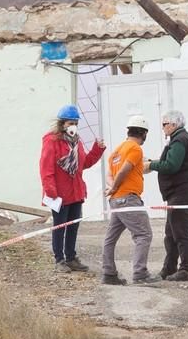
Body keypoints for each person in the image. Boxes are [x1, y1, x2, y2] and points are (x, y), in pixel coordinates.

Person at [40, 104, 105, 273]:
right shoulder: (51, 141)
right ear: (62, 124)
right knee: (59, 226)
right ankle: (59, 259)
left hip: (75, 192)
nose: (73, 126)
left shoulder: (76, 142)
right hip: (59, 195)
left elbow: (85, 163)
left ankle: (71, 257)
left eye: (76, 122)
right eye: (70, 122)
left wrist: (98, 149)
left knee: (73, 226)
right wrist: (51, 192)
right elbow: (46, 169)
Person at [102, 115, 161, 285]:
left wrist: (113, 188)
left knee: (110, 237)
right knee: (144, 234)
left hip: (116, 200)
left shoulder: (116, 151)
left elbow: (110, 174)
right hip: (128, 199)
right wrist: (115, 187)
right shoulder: (135, 149)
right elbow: (124, 171)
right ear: (143, 133)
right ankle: (140, 273)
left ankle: (109, 273)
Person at [145, 110, 188, 282]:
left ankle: (186, 268)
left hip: (183, 192)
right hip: (181, 192)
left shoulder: (180, 140)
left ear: (174, 124)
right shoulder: (181, 139)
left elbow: (171, 165)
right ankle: (169, 268)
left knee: (182, 232)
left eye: (164, 124)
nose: (162, 128)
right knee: (171, 233)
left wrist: (151, 165)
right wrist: (153, 163)